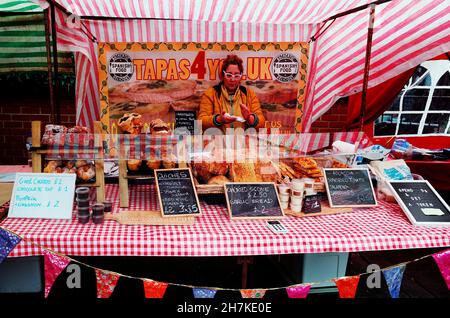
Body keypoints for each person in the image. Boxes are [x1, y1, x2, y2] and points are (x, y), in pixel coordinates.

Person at [198, 54, 265, 132]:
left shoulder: (249, 94)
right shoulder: (211, 94)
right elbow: (200, 122)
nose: (232, 79)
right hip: (218, 142)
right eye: (229, 75)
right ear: (223, 75)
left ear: (241, 77)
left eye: (236, 75)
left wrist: (249, 118)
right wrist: (219, 119)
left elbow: (262, 123)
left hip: (242, 141)